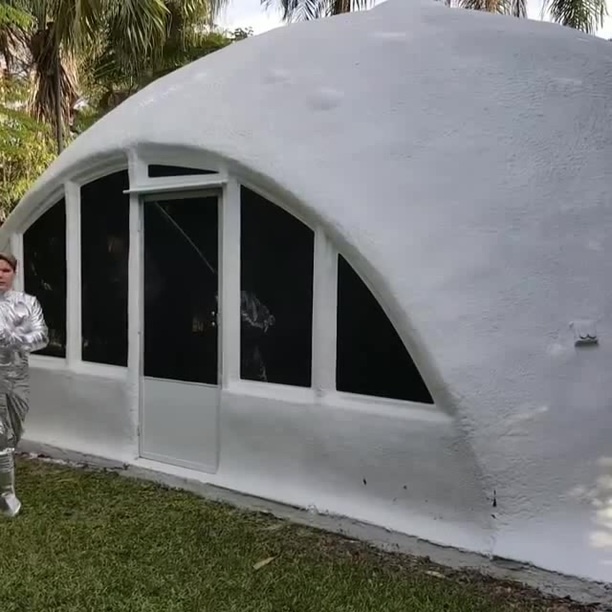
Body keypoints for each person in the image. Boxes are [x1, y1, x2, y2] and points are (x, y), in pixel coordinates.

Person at [0, 252, 48, 517]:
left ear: (14, 273)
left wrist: (12, 338)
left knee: (14, 433)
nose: (0, 275)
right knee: (1, 436)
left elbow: (42, 336)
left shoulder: (27, 303)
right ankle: (7, 495)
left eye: (5, 270)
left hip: (16, 380)